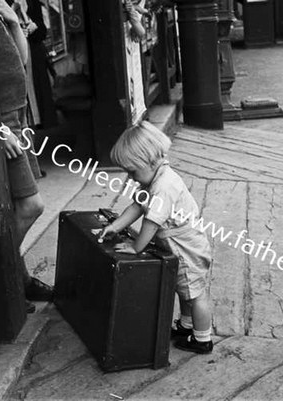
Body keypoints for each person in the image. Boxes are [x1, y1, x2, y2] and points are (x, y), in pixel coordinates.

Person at [99, 121, 214, 354]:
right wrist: (115, 225)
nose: (130, 178)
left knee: (195, 294)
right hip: (179, 245)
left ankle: (203, 339)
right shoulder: (153, 177)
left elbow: (151, 222)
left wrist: (136, 248)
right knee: (185, 290)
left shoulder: (163, 186)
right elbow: (138, 205)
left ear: (149, 160)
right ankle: (186, 326)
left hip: (185, 248)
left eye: (132, 171)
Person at [0, 0, 52, 308]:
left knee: (16, 206)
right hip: (0, 121)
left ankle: (20, 280)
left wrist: (14, 22)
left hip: (15, 117)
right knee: (30, 206)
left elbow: (21, 61)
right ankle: (5, 279)